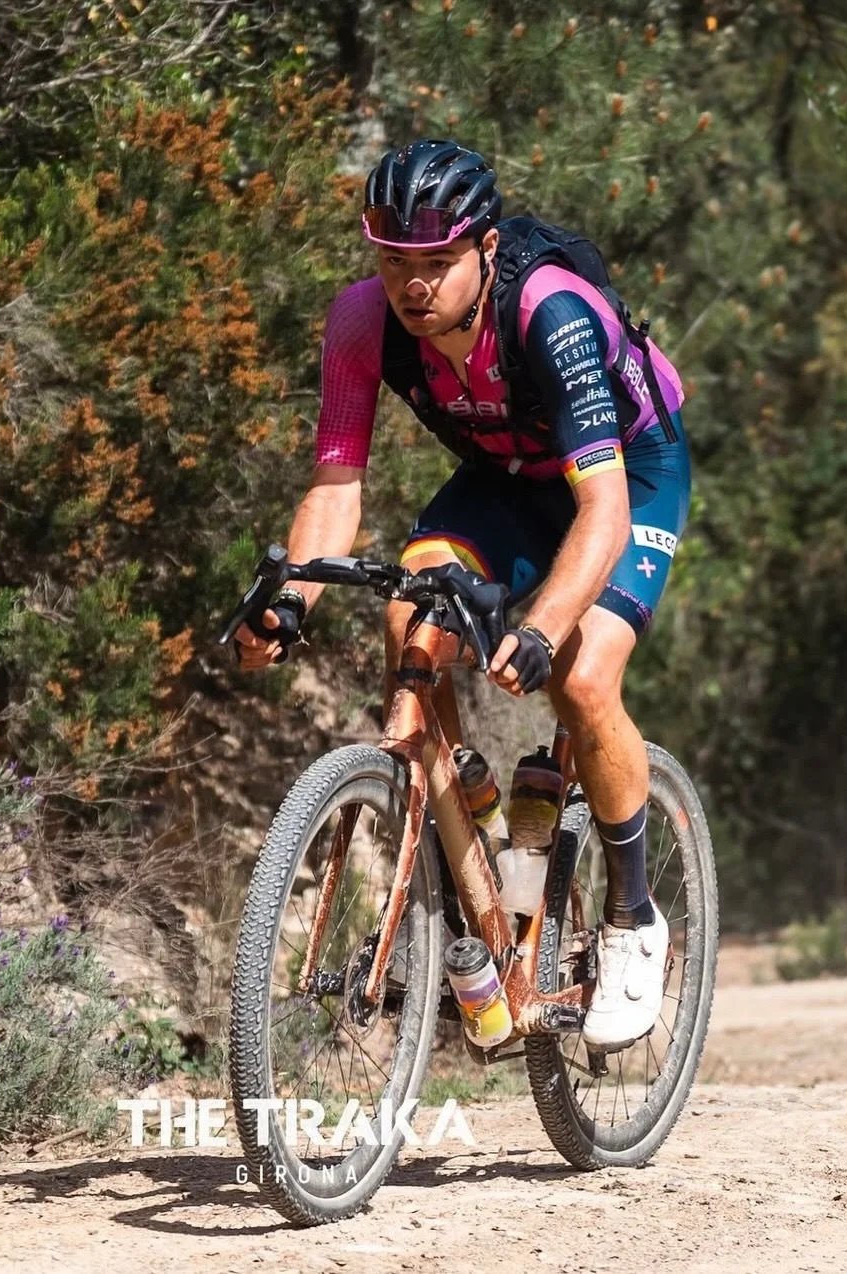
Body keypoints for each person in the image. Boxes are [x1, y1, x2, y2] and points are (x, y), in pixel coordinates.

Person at [235, 139, 690, 1049]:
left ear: (484, 248)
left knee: (584, 676)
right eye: (395, 261)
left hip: (627, 476)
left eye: (437, 263)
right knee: (410, 621)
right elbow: (335, 486)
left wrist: (544, 627)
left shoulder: (550, 314)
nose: (413, 285)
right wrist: (293, 603)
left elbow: (598, 509)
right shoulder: (363, 321)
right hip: (504, 478)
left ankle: (636, 920)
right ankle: (469, 838)